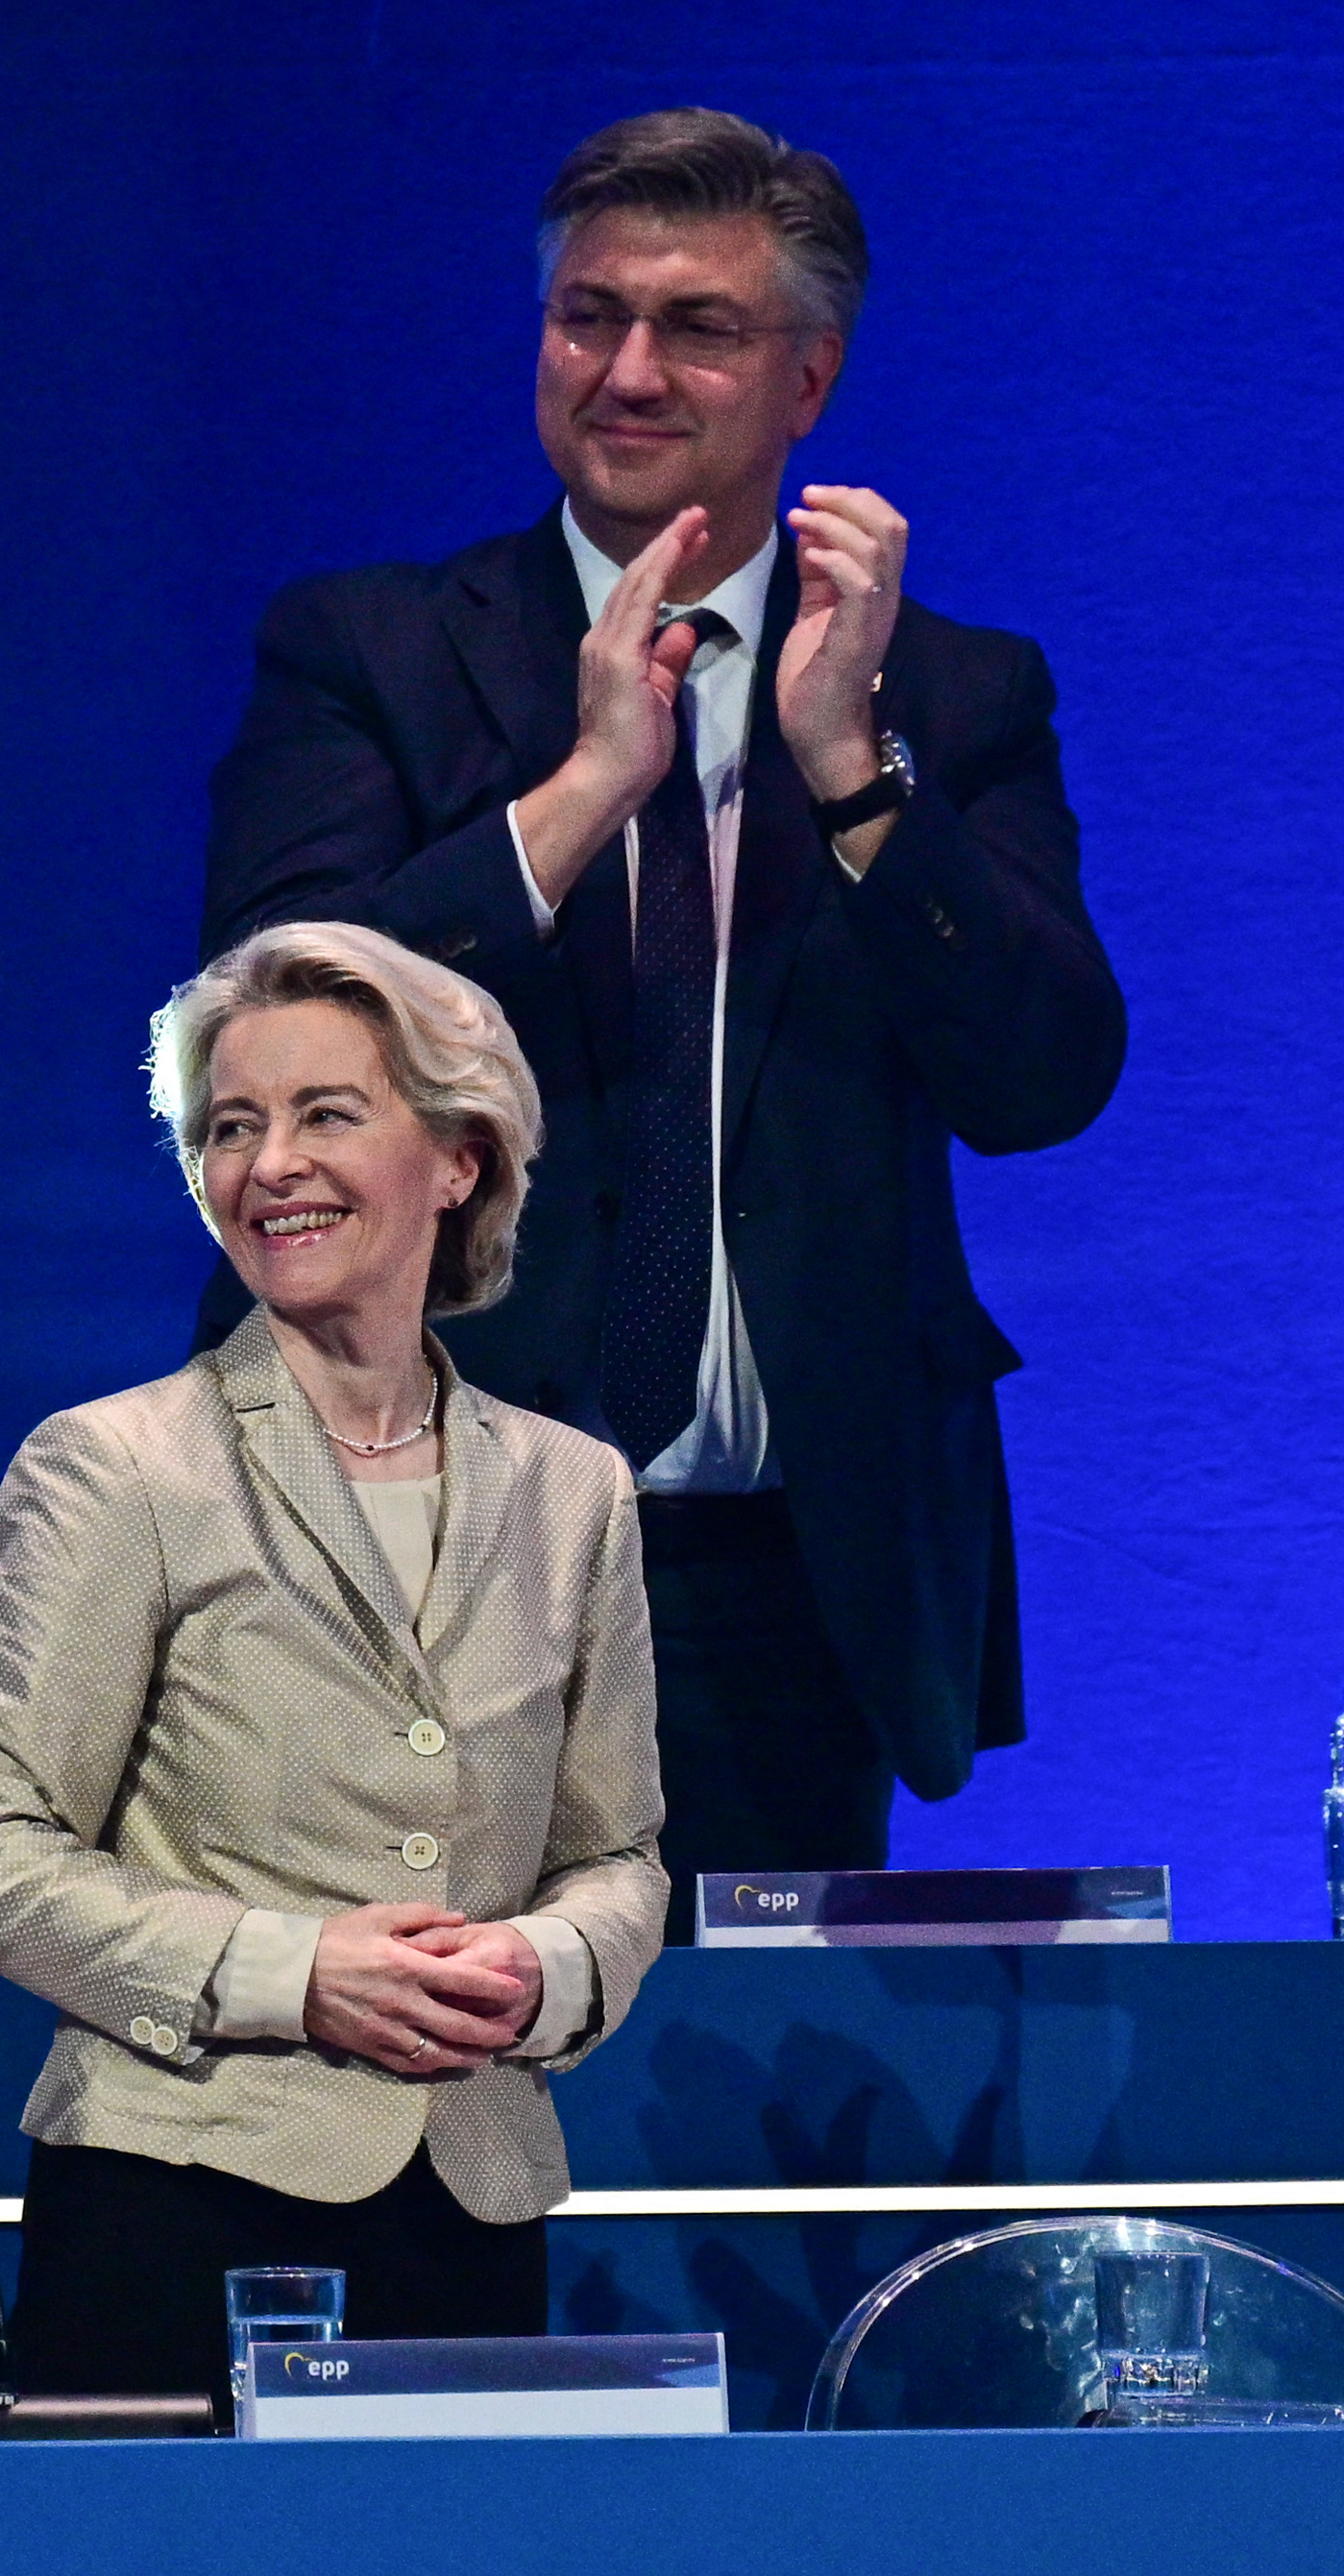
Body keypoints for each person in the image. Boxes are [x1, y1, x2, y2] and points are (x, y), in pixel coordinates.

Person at [203, 109, 1123, 1904]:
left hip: (789, 1574)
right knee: (415, 2049)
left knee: (753, 2076)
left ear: (809, 378)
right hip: (409, 1531)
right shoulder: (370, 650)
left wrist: (853, 775)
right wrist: (577, 801)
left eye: (697, 328)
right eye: (588, 317)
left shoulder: (949, 691)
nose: (627, 372)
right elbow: (260, 1028)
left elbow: (1045, 1081)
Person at [0, 923, 666, 2397]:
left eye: (327, 1114)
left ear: (458, 1160)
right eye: (230, 1128)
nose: (271, 1166)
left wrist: (546, 1967)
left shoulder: (575, 1492)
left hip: (469, 2210)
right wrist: (295, 1972)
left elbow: (620, 1857)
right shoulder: (120, 1468)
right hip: (173, 2208)